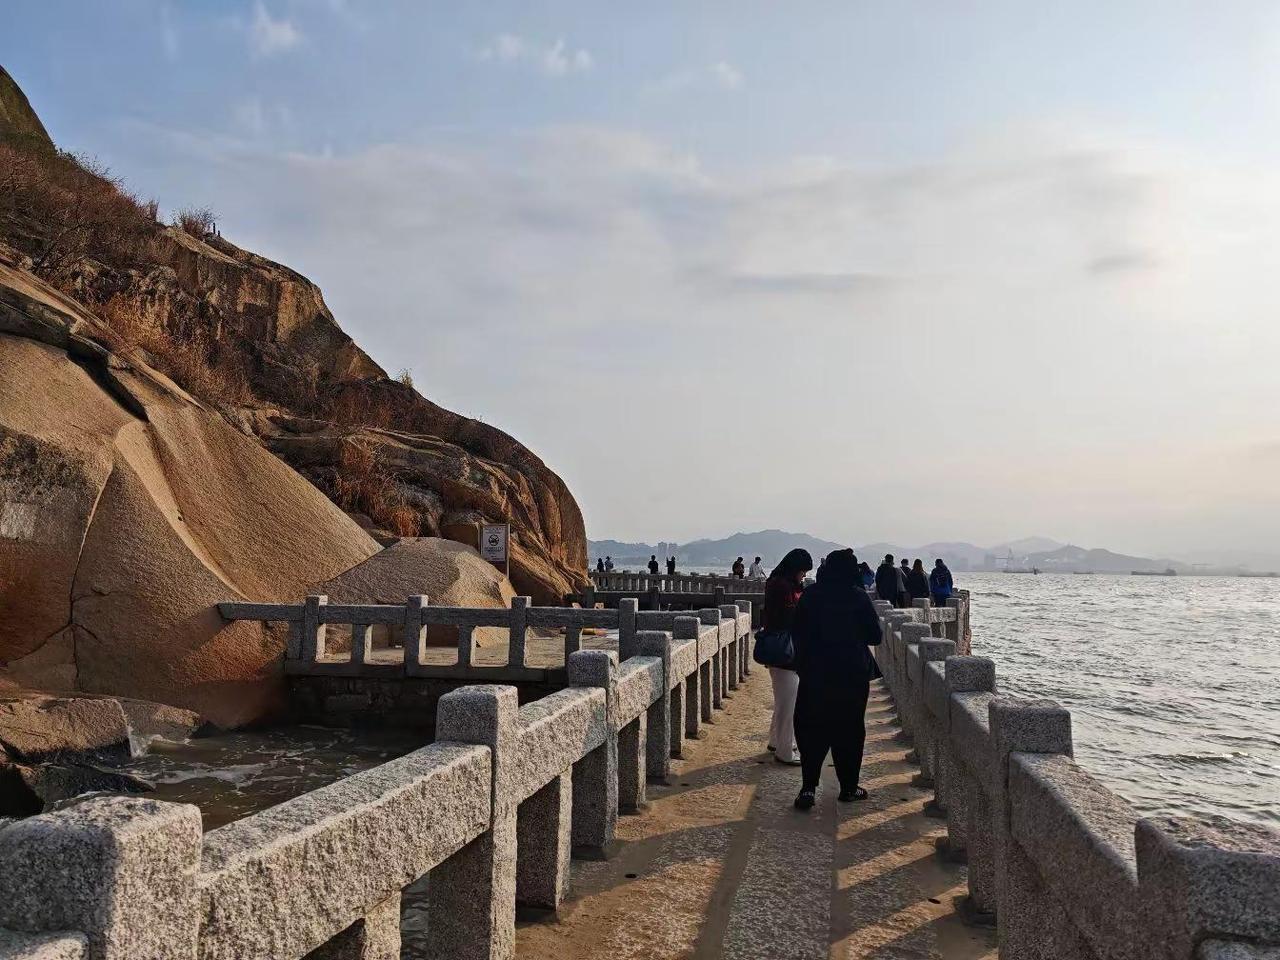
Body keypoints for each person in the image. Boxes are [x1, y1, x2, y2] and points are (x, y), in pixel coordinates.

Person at [790, 548, 883, 809]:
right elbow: (875, 636)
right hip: (851, 674)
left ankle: (808, 789)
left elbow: (797, 632)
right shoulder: (858, 597)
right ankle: (849, 787)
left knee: (811, 727)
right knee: (850, 729)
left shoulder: (811, 595)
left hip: (815, 673)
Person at [761, 548, 813, 766]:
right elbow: (788, 617)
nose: (804, 576)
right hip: (785, 649)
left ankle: (776, 741)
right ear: (794, 569)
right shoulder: (782, 587)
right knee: (789, 702)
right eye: (803, 571)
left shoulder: (779, 583)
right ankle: (785, 750)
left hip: (782, 648)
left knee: (783, 700)